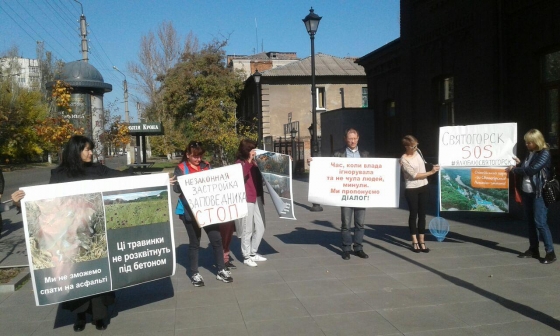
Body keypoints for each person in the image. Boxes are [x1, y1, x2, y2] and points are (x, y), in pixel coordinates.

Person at [173, 141, 233, 286]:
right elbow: (176, 189)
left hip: (208, 210)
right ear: (188, 155)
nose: (198, 159)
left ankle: (221, 269)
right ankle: (194, 273)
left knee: (216, 239)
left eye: (200, 156)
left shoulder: (206, 166)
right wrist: (182, 183)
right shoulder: (181, 168)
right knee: (195, 243)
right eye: (195, 157)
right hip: (189, 212)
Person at [506, 129, 556, 264]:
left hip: (539, 193)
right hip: (527, 191)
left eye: (529, 142)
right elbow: (527, 167)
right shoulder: (531, 153)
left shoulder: (544, 153)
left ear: (537, 142)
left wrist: (514, 170)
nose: (527, 145)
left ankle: (550, 252)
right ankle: (533, 249)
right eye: (526, 142)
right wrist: (520, 163)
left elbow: (532, 170)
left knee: (540, 222)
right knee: (530, 222)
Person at [333, 128, 370, 260]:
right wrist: (312, 163)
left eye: (354, 138)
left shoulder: (365, 154)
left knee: (360, 223)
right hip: (345, 193)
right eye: (350, 139)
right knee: (346, 224)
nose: (352, 141)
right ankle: (346, 249)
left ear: (358, 138)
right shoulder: (338, 153)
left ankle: (358, 248)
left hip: (361, 193)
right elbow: (329, 168)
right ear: (345, 139)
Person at [400, 135, 440, 253]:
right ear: (407, 147)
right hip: (411, 188)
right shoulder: (404, 159)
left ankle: (422, 240)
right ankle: (414, 241)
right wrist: (431, 172)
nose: (416, 148)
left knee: (422, 215)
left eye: (417, 145)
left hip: (424, 187)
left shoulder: (418, 152)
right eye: (413, 146)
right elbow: (414, 175)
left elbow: (425, 163)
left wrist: (433, 167)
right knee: (414, 214)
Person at [236, 139, 267, 267]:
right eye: (252, 149)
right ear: (247, 151)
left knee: (261, 226)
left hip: (257, 197)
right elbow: (241, 175)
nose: (255, 151)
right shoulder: (240, 163)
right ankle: (246, 255)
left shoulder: (256, 162)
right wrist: (249, 161)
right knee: (247, 229)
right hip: (246, 199)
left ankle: (253, 252)